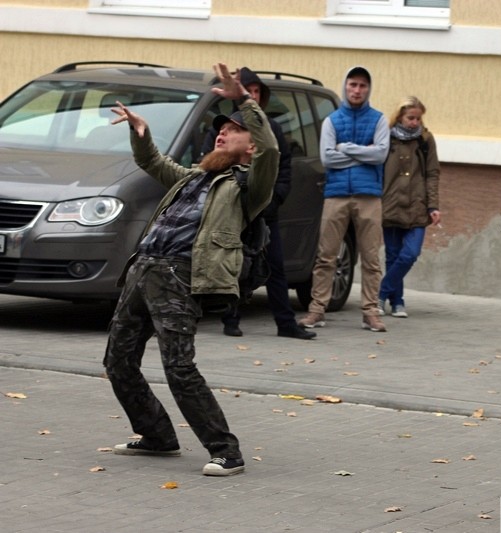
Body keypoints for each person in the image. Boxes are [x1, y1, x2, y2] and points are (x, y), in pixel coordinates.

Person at [103, 63, 279, 477]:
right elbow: (154, 162)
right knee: (118, 361)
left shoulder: (247, 187)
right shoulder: (193, 178)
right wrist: (141, 132)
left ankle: (226, 451)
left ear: (250, 147)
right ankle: (157, 436)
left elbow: (271, 150)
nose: (222, 133)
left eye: (233, 130)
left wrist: (244, 100)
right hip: (142, 272)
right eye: (220, 129)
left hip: (179, 277)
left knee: (179, 366)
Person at [199, 67, 315, 340]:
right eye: (247, 91)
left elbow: (282, 166)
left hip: (265, 212)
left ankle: (285, 323)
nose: (252, 96)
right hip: (233, 211)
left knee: (274, 267)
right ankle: (230, 319)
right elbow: (209, 163)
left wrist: (274, 199)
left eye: (255, 92)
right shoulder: (223, 128)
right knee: (231, 263)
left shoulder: (271, 129)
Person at [298, 66, 390, 332]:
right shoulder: (332, 121)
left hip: (368, 196)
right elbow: (327, 158)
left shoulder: (379, 120)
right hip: (336, 195)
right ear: (345, 86)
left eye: (362, 85)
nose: (357, 90)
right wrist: (364, 154)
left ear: (368, 89)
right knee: (326, 256)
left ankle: (370, 312)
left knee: (371, 258)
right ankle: (317, 310)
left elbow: (380, 155)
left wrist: (346, 148)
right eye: (353, 84)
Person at [377, 96, 441, 318]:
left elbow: (432, 173)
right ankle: (397, 303)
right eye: (410, 118)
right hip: (390, 204)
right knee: (393, 255)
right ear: (400, 117)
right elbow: (377, 169)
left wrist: (433, 205)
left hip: (417, 206)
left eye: (418, 118)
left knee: (410, 254)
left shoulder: (425, 140)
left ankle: (381, 293)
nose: (415, 123)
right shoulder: (386, 137)